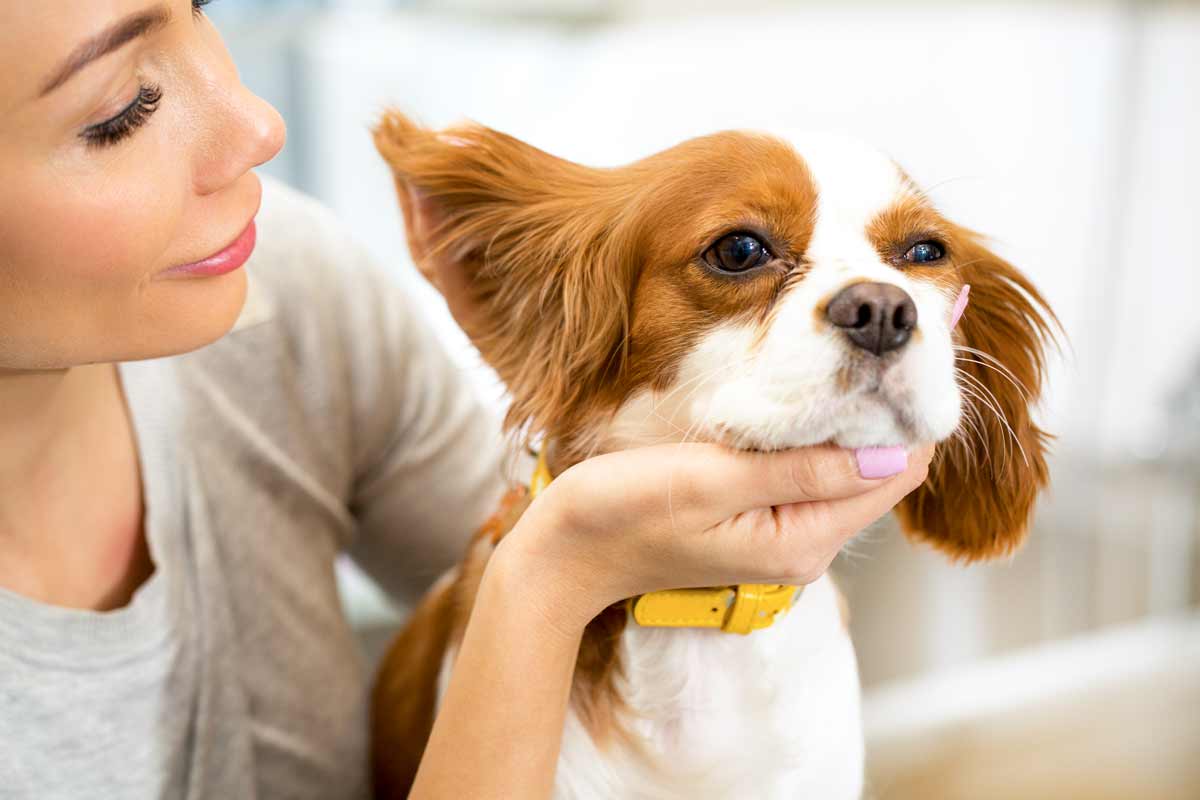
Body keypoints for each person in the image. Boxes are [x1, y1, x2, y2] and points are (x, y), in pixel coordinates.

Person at [0, 3, 934, 799]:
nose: (257, 127)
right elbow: (548, 553)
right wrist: (551, 572)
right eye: (123, 111)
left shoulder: (280, 288)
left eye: (198, 8)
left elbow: (558, 523)